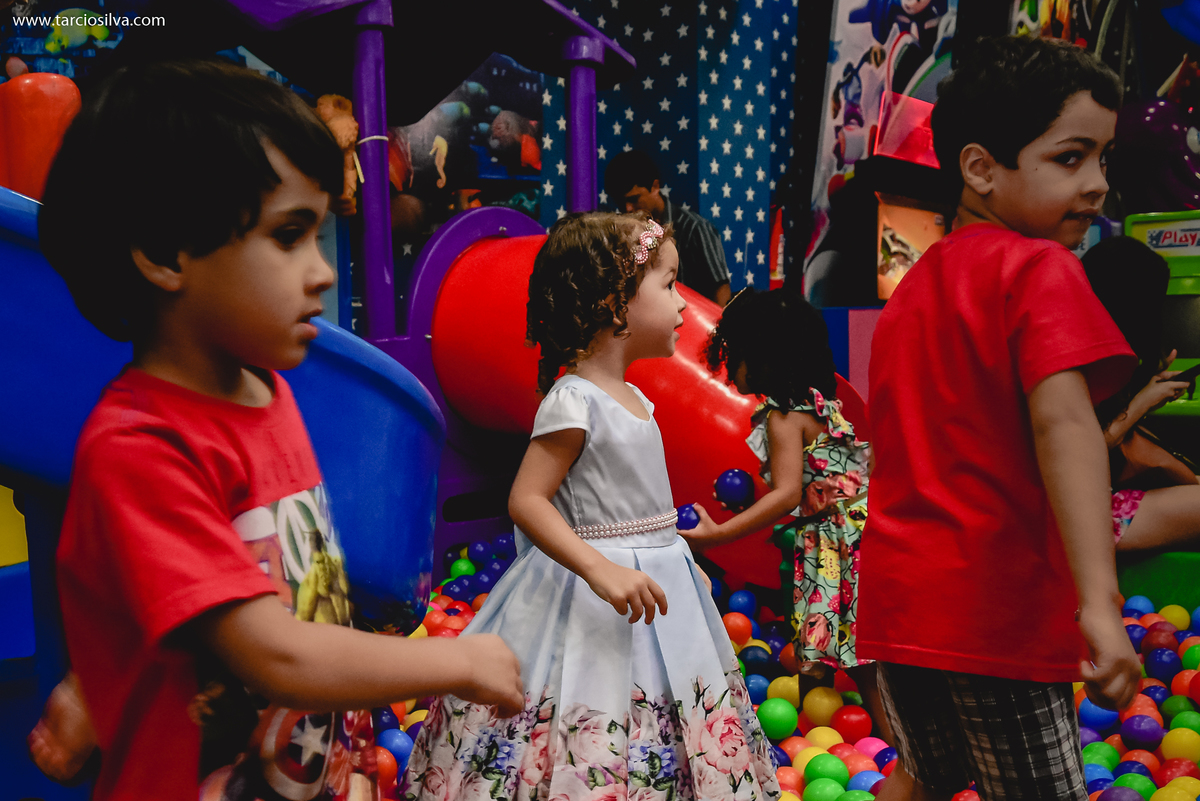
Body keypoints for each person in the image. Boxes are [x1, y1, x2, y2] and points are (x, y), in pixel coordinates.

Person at [32, 59, 523, 800]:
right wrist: (460, 660)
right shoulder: (141, 446)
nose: (323, 271)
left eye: (320, 234)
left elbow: (239, 580)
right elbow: (273, 655)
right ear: (167, 254)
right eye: (289, 235)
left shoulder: (268, 391)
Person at [399, 213, 780, 801]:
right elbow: (526, 499)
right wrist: (600, 568)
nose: (683, 302)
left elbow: (646, 507)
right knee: (591, 696)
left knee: (670, 697)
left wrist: (677, 560)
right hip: (591, 591)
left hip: (656, 587)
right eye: (668, 283)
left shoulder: (639, 400)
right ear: (614, 302)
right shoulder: (574, 399)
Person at [855, 36, 1142, 801]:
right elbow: (1066, 429)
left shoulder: (912, 291)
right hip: (991, 610)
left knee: (929, 771)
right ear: (981, 168)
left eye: (1104, 160)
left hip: (898, 600)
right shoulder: (1040, 268)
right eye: (1071, 158)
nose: (1098, 185)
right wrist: (1101, 604)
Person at [682, 286, 890, 742]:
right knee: (844, 652)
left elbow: (786, 494)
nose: (726, 366)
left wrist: (717, 536)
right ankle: (825, 735)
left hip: (833, 546)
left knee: (852, 661)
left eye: (732, 354)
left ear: (762, 355)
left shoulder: (782, 416)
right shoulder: (818, 404)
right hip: (858, 535)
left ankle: (900, 753)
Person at [1082, 236, 1200, 552]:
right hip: (1070, 520)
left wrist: (1145, 394)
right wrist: (1141, 403)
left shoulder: (1095, 353)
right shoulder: (1074, 361)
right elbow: (1077, 455)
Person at [605, 149, 732, 306]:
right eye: (620, 202)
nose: (628, 208)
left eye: (634, 199)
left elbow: (720, 288)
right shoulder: (624, 232)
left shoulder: (694, 227)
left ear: (655, 186)